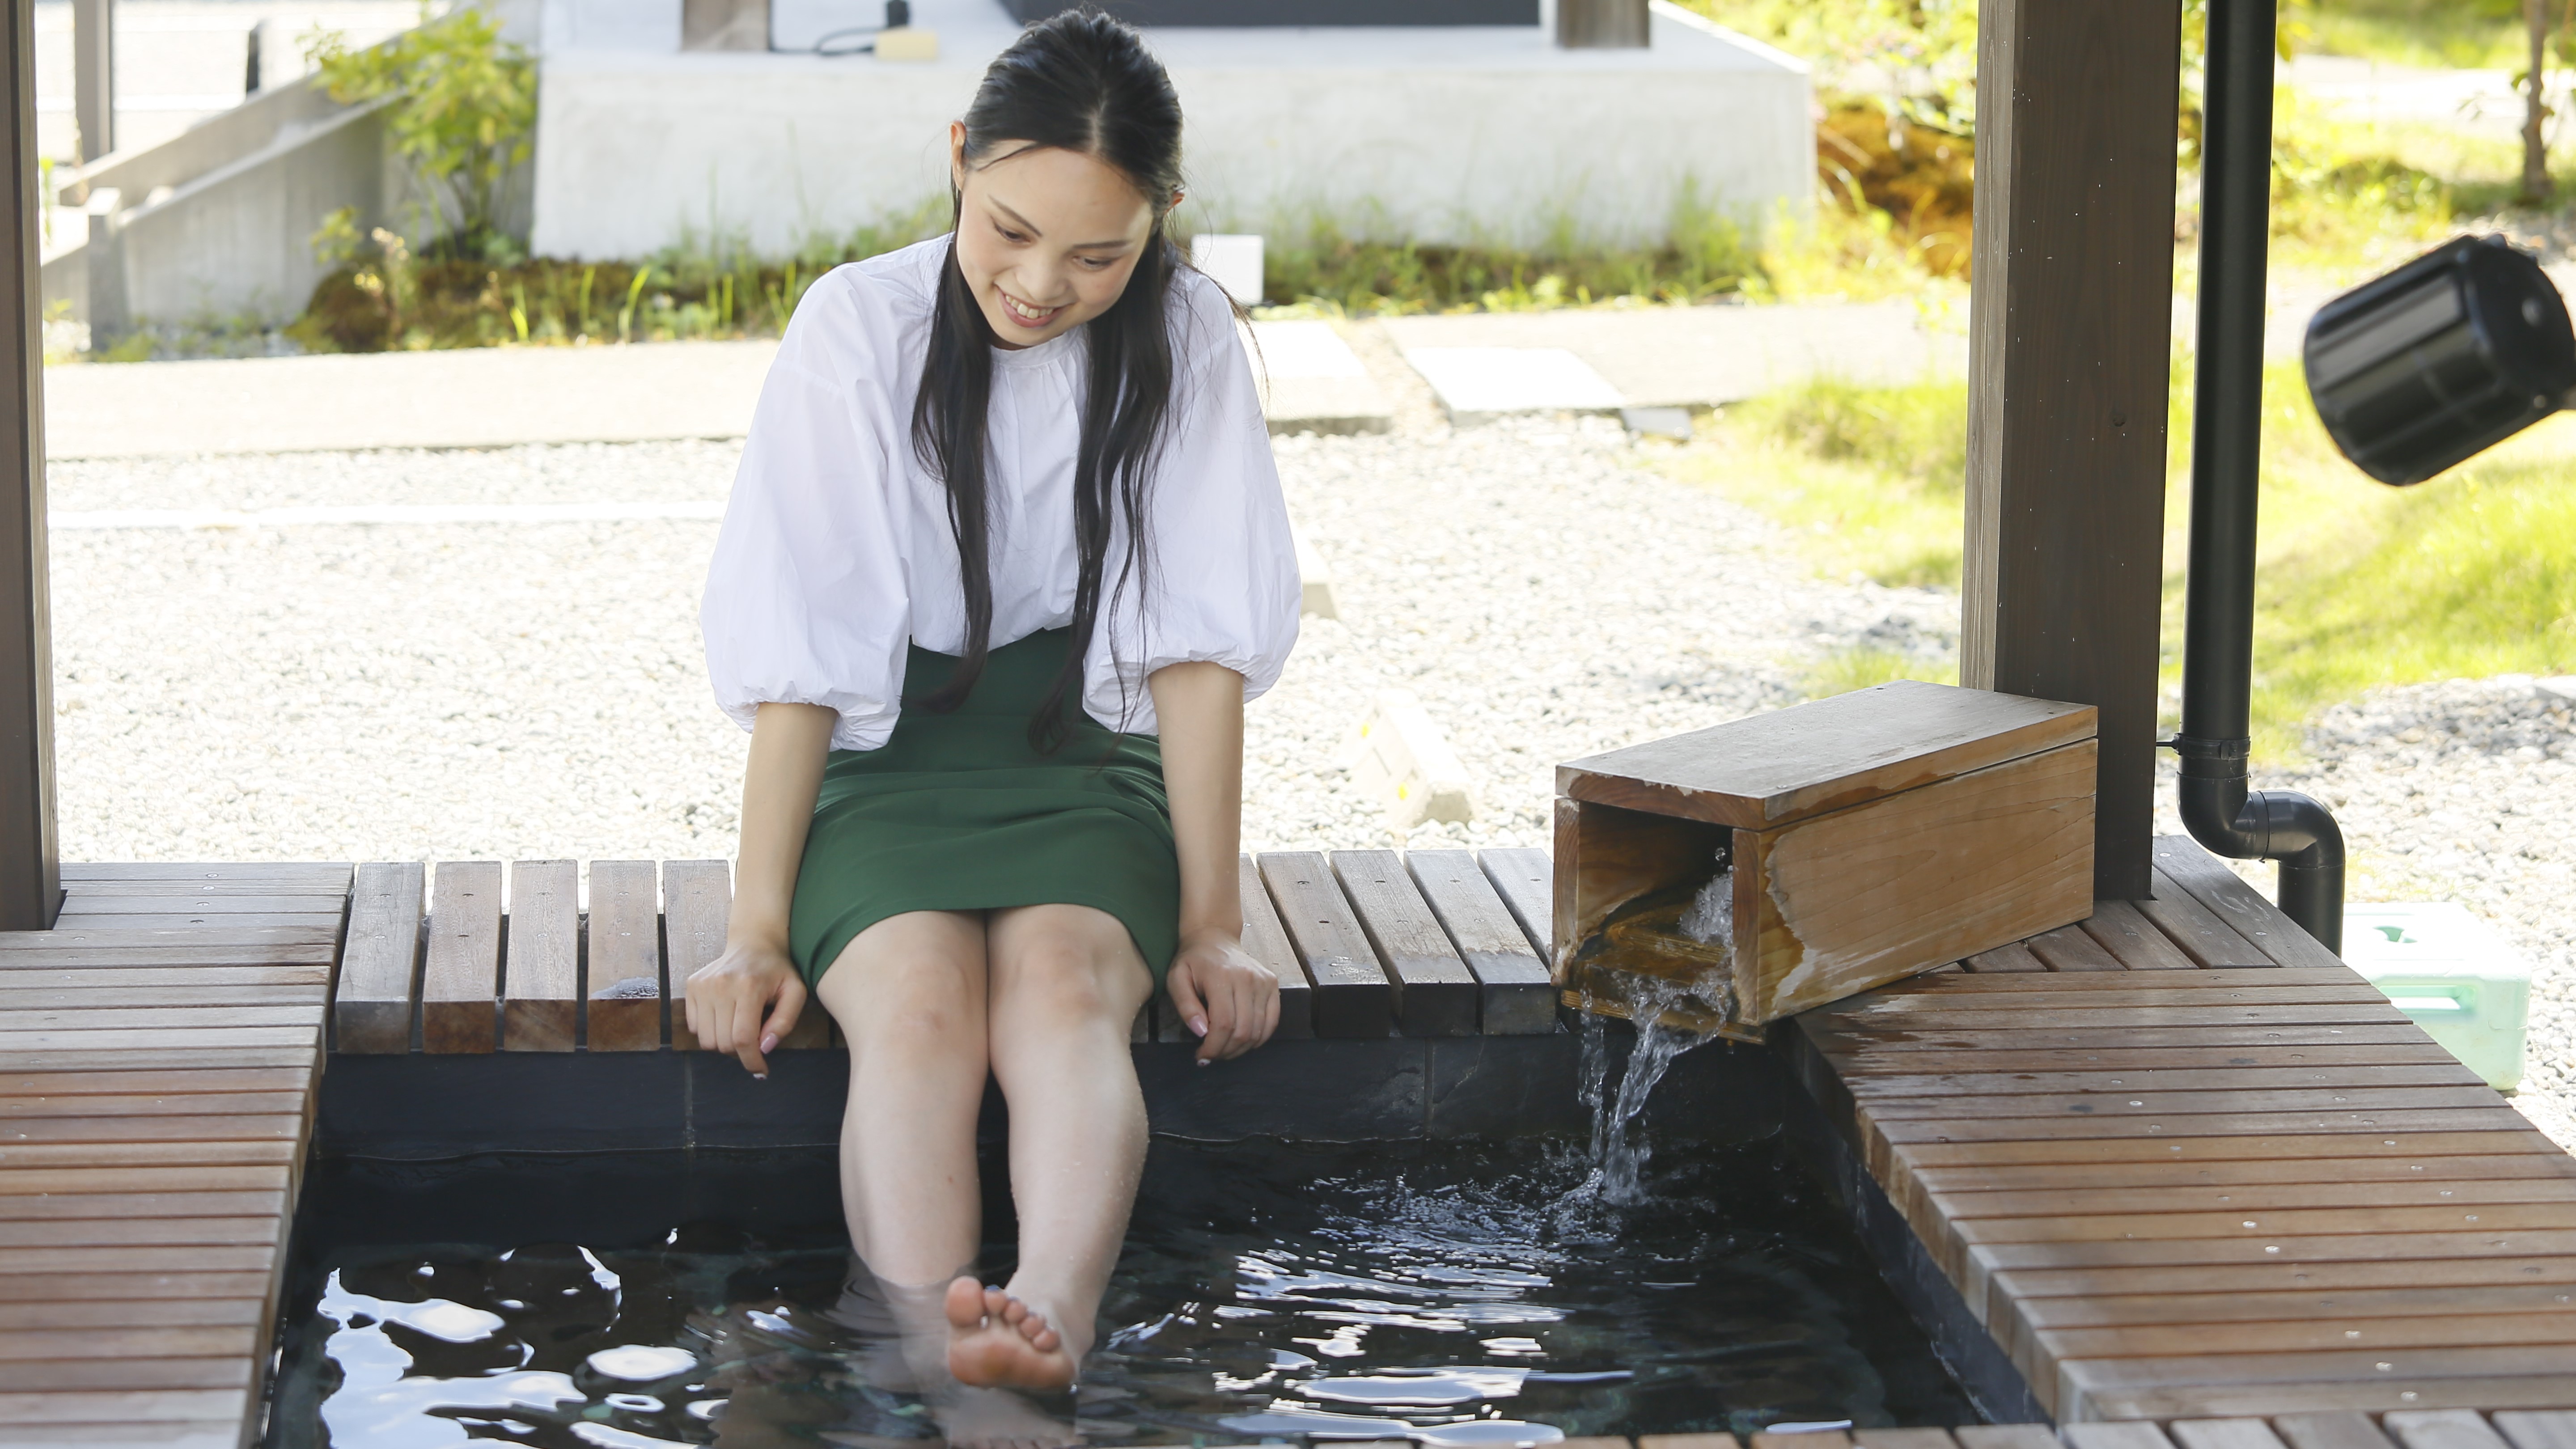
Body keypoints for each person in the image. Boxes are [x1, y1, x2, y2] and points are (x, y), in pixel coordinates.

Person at [686, 10, 1298, 1444]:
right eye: (1012, 231)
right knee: (914, 1007)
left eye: (1100, 256)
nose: (1043, 286)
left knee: (1067, 989)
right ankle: (924, 1347)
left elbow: (1196, 653)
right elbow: (807, 652)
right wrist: (756, 929)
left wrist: (1213, 920)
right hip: (883, 756)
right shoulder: (860, 323)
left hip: (1076, 745)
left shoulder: (1191, 335)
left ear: (1158, 222)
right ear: (958, 160)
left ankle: (1047, 1331)